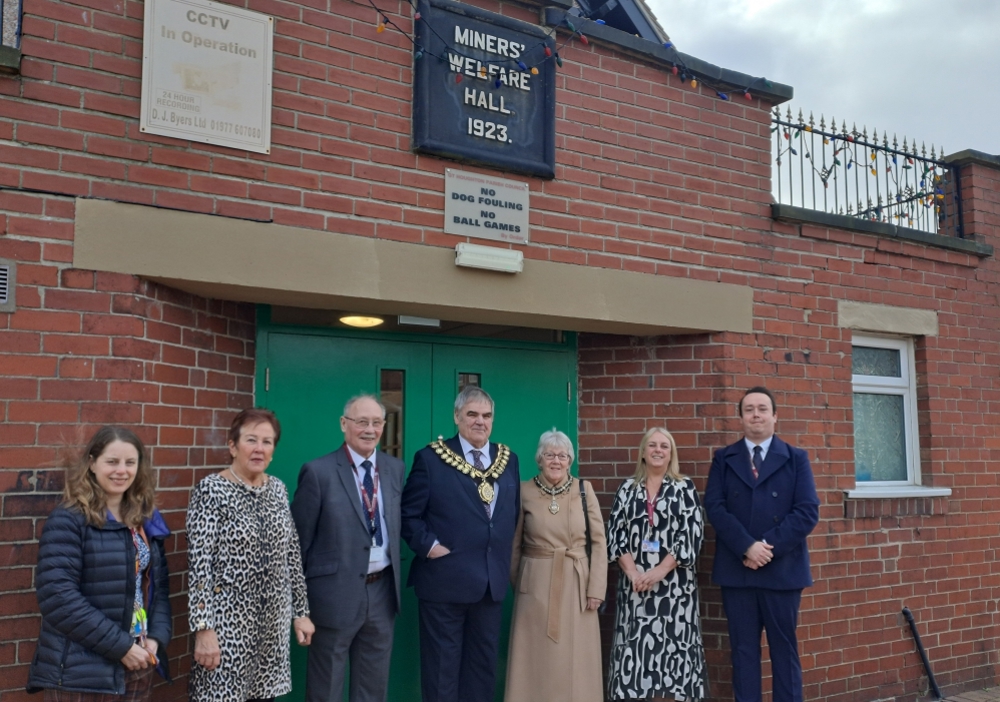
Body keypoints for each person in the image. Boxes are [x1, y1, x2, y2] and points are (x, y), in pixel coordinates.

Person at [27, 426, 172, 701]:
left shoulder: (144, 519)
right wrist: (122, 648)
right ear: (92, 464)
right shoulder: (69, 519)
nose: (122, 470)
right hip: (82, 673)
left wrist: (155, 638)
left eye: (130, 462)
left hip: (138, 663)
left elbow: (159, 588)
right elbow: (58, 598)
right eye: (112, 461)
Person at [400, 385, 520, 702]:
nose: (480, 421)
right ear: (457, 417)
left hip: (490, 585)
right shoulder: (431, 459)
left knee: (482, 671)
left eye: (486, 415)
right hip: (445, 582)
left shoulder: (508, 460)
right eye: (472, 414)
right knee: (442, 673)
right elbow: (408, 515)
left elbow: (509, 515)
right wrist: (430, 547)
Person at [187, 408, 315, 702]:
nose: (260, 449)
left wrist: (301, 612)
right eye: (251, 440)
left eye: (267, 442)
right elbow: (200, 566)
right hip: (226, 631)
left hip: (272, 629)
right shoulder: (211, 491)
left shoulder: (278, 489)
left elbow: (291, 556)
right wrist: (204, 630)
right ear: (232, 446)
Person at [704, 387, 820, 702]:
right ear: (740, 417)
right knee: (743, 652)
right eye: (750, 409)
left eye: (763, 409)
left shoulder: (796, 459)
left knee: (785, 651)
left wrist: (765, 547)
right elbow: (715, 507)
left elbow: (807, 511)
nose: (756, 414)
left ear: (774, 416)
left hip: (782, 571)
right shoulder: (723, 459)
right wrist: (747, 546)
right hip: (738, 571)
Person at [291, 395, 404, 702]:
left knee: (373, 688)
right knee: (325, 689)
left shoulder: (395, 470)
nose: (370, 429)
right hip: (333, 595)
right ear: (344, 424)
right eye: (361, 422)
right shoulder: (318, 472)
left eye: (377, 422)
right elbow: (297, 545)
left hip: (381, 593)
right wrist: (298, 608)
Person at [505, 429, 607, 702]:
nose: (556, 461)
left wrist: (596, 587)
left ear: (570, 460)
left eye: (562, 455)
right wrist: (521, 583)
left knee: (574, 661)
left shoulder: (583, 490)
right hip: (534, 587)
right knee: (534, 659)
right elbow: (515, 543)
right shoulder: (524, 490)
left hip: (577, 585)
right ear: (540, 458)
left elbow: (599, 542)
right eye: (550, 455)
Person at [606, 427, 706, 702]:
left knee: (675, 659)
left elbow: (692, 534)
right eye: (652, 445)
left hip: (675, 590)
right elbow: (615, 535)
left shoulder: (684, 488)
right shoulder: (627, 489)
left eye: (664, 445)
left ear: (671, 452)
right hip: (635, 588)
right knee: (635, 658)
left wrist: (659, 571)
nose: (658, 450)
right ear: (643, 451)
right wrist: (634, 572)